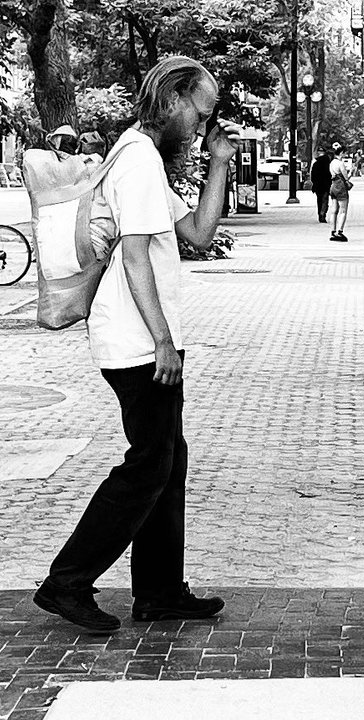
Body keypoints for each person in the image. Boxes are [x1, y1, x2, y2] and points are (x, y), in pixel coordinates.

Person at [33, 55, 239, 633]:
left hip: (141, 338)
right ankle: (67, 583)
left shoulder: (140, 156)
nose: (202, 125)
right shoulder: (139, 160)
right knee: (148, 465)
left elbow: (195, 234)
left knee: (167, 464)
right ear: (173, 99)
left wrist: (219, 165)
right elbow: (133, 256)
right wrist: (164, 342)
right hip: (137, 342)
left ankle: (159, 591)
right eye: (201, 112)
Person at [328, 143, 353, 243]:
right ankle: (340, 231)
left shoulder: (332, 163)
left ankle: (332, 231)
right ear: (341, 153)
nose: (345, 155)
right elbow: (346, 177)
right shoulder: (340, 163)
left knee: (334, 210)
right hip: (341, 188)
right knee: (343, 211)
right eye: (344, 153)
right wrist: (351, 172)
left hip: (333, 186)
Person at [310, 148, 333, 224]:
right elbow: (330, 175)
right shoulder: (328, 164)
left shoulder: (316, 163)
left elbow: (312, 176)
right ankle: (322, 214)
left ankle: (320, 213)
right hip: (326, 185)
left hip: (317, 185)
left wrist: (314, 183)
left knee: (319, 200)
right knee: (325, 200)